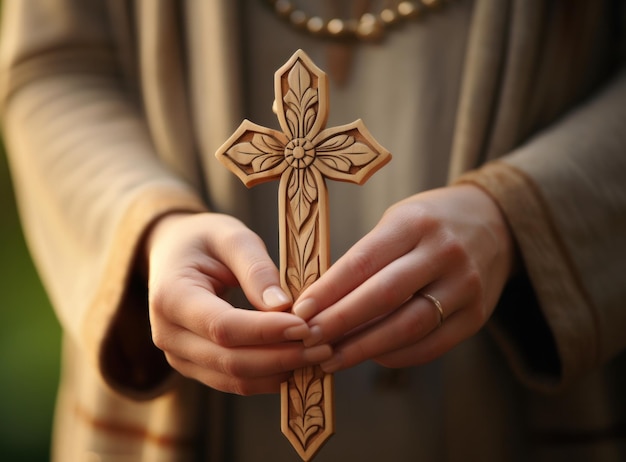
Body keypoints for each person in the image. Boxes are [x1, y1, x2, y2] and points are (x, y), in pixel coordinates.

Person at [1, 0, 625, 460]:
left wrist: (520, 218)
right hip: (199, 413)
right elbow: (54, 62)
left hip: (503, 398)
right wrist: (148, 225)